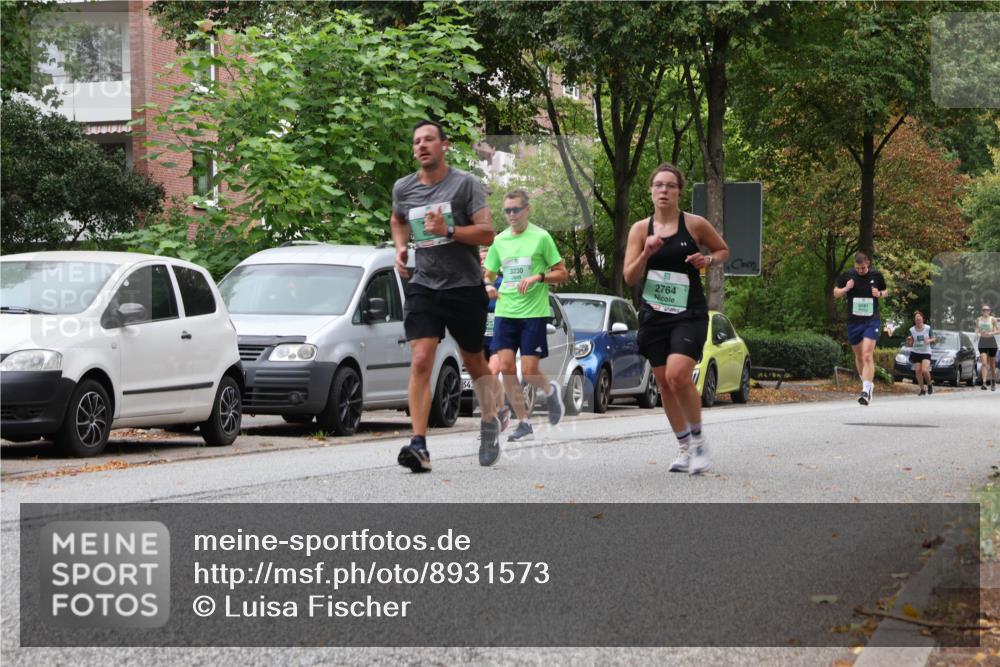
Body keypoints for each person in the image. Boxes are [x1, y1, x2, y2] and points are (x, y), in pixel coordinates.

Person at [390, 120, 501, 472]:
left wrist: (449, 230)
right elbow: (397, 220)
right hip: (424, 283)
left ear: (444, 145)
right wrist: (401, 248)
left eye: (428, 140)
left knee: (474, 362)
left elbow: (487, 234)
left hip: (464, 286)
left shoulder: (465, 184)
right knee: (421, 359)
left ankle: (490, 422)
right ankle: (419, 445)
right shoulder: (404, 187)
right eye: (416, 141)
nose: (421, 146)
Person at [623, 164, 729, 476]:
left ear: (680, 190)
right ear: (651, 191)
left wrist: (707, 260)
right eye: (658, 185)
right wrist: (645, 253)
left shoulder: (695, 225)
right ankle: (684, 447)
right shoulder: (640, 230)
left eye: (670, 185)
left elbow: (723, 250)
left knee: (678, 375)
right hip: (654, 315)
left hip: (689, 312)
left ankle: (698, 441)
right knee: (664, 384)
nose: (664, 191)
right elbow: (630, 277)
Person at [484, 189, 569, 444]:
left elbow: (562, 272)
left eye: (516, 210)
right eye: (507, 211)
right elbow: (488, 272)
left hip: (533, 313)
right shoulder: (499, 241)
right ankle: (523, 422)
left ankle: (549, 390)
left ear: (527, 210)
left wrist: (538, 277)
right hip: (506, 312)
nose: (511, 215)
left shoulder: (541, 238)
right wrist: (487, 285)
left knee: (530, 370)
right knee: (507, 368)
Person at [833, 251, 888, 406]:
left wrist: (879, 294)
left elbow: (886, 291)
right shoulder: (847, 275)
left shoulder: (877, 276)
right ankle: (868, 384)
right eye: (858, 268)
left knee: (867, 355)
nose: (860, 271)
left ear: (868, 263)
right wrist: (846, 289)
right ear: (854, 265)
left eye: (863, 268)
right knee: (858, 356)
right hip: (854, 322)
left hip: (871, 320)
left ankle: (865, 390)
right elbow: (835, 293)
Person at [480, 245, 508, 428]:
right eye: (480, 260)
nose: (482, 263)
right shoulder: (474, 283)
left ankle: (491, 416)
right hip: (480, 335)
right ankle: (501, 409)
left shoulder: (503, 284)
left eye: (485, 260)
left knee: (491, 373)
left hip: (499, 334)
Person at [906, 310, 935, 396]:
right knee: (918, 371)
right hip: (916, 352)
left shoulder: (928, 328)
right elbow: (910, 344)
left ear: (923, 319)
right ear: (914, 320)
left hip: (926, 352)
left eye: (919, 318)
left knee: (925, 370)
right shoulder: (911, 330)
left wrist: (929, 340)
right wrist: (909, 340)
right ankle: (922, 389)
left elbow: (934, 338)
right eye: (916, 319)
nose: (918, 320)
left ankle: (929, 384)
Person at [975, 304, 998, 391]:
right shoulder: (978, 319)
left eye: (987, 310)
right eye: (984, 310)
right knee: (984, 363)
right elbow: (977, 328)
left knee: (992, 364)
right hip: (982, 342)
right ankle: (984, 383)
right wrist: (976, 334)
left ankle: (993, 380)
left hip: (991, 341)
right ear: (982, 311)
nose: (985, 311)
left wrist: (991, 333)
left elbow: (999, 330)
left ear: (989, 311)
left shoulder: (993, 319)